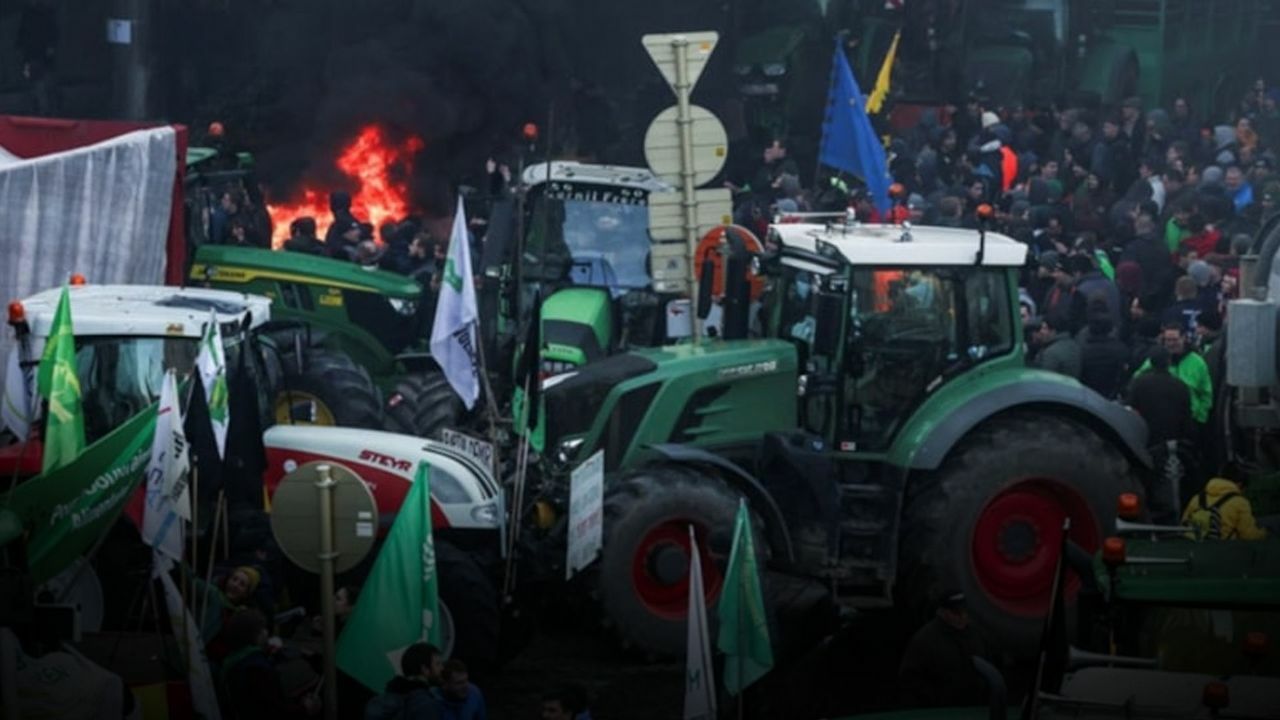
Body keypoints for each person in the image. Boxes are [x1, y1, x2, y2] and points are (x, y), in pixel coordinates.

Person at [220, 610, 320, 720]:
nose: (266, 632)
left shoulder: (235, 659)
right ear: (254, 635)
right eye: (262, 629)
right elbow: (275, 712)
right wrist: (305, 708)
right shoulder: (256, 669)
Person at [898, 591, 989, 708]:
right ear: (942, 612)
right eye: (957, 612)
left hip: (973, 708)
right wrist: (936, 701)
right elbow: (910, 681)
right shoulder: (924, 640)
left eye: (965, 611)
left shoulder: (976, 635)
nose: (963, 616)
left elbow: (988, 668)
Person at [1131, 323, 1213, 427]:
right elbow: (1137, 378)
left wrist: (1200, 418)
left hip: (1189, 419)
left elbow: (1206, 393)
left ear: (1184, 338)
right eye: (1167, 340)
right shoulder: (1155, 360)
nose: (1170, 343)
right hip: (1159, 418)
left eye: (1175, 339)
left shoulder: (1197, 362)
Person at [1181, 466, 1268, 540]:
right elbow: (1249, 535)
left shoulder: (1197, 498)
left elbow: (1184, 524)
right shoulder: (1240, 502)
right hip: (1223, 551)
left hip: (1195, 548)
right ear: (1239, 484)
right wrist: (1265, 533)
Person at [364, 643, 444, 720]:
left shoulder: (382, 701)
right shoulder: (425, 705)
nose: (442, 669)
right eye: (438, 664)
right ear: (425, 669)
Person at [1032, 314, 1082, 379]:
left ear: (1053, 331)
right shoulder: (1074, 345)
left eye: (1044, 328)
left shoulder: (1050, 353)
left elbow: (1045, 379)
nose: (1041, 331)